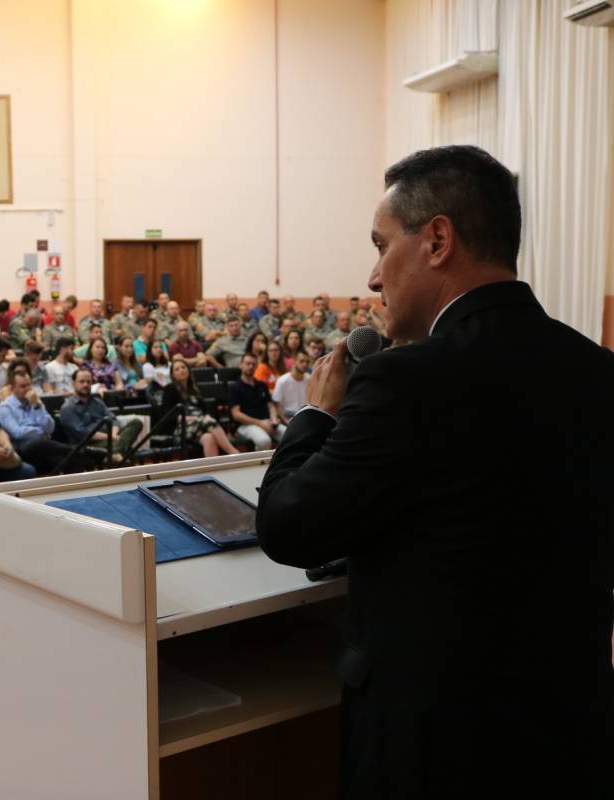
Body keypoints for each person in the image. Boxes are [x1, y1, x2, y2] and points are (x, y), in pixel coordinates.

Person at [256, 145, 614, 798]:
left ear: (438, 240)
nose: (373, 277)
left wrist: (316, 414)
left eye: (381, 246)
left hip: (433, 746)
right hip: (570, 729)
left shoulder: (406, 379)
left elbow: (289, 525)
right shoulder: (596, 369)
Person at [0, 371, 74, 474]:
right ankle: (76, 450)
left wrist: (36, 406)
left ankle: (77, 453)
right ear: (12, 388)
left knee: (64, 460)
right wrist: (42, 432)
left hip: (42, 445)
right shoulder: (5, 407)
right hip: (20, 446)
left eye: (29, 385)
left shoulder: (35, 402)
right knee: (38, 443)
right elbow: (17, 433)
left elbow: (50, 428)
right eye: (23, 386)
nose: (28, 389)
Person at [57, 369, 143, 464]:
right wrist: (110, 437)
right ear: (73, 383)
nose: (85, 385)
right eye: (82, 382)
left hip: (111, 438)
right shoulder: (67, 408)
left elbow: (113, 419)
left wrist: (113, 435)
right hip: (88, 445)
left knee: (136, 422)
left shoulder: (97, 402)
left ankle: (115, 452)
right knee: (126, 447)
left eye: (88, 382)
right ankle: (117, 452)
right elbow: (83, 433)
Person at [161, 360, 238, 457]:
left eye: (183, 367)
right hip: (181, 427)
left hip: (200, 424)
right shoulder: (169, 389)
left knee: (208, 438)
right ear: (173, 375)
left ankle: (213, 467)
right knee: (207, 420)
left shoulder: (195, 389)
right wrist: (187, 418)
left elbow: (204, 410)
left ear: (188, 370)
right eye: (177, 369)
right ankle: (232, 452)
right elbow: (168, 414)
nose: (181, 370)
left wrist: (199, 419)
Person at [227, 353, 278, 451]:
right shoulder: (234, 387)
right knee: (264, 441)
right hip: (245, 426)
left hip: (267, 422)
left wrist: (274, 420)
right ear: (241, 365)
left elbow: (270, 405)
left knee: (288, 435)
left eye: (254, 364)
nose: (251, 366)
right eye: (248, 363)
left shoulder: (262, 385)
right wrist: (261, 424)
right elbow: (236, 414)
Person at [271, 350, 309, 428]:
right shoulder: (282, 381)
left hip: (305, 417)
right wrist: (286, 422)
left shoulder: (310, 379)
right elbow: (276, 405)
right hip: (288, 418)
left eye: (307, 362)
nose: (305, 364)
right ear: (294, 362)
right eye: (301, 361)